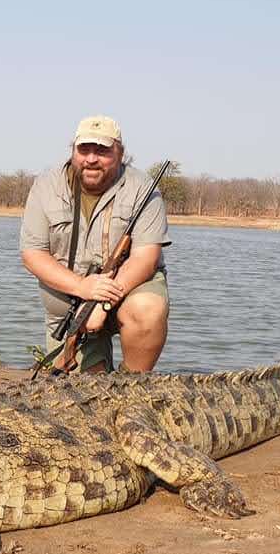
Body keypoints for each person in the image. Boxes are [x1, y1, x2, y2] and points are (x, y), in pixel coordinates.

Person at [19, 115, 170, 373]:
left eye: (102, 150)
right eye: (84, 149)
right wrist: (83, 287)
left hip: (126, 289)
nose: (91, 158)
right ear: (73, 150)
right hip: (71, 303)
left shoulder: (143, 187)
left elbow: (147, 257)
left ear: (120, 153)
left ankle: (133, 386)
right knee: (84, 393)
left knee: (147, 308)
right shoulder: (46, 186)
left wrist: (103, 300)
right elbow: (33, 254)